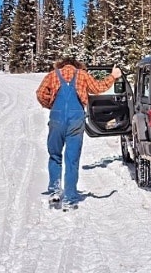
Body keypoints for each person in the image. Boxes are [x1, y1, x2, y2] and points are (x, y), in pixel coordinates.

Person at [36, 57, 121, 208]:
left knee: (54, 155)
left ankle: (55, 190)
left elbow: (40, 93)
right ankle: (70, 197)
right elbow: (98, 88)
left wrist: (52, 105)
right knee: (72, 159)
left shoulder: (52, 75)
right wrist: (113, 76)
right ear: (77, 66)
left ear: (61, 65)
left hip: (57, 119)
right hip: (76, 120)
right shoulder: (82, 74)